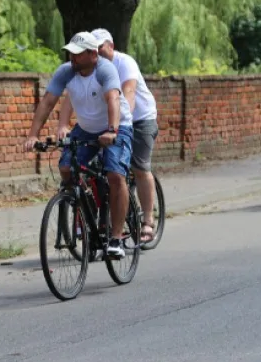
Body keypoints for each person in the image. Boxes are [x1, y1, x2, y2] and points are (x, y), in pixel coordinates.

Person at [23, 31, 135, 258]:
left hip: (116, 125)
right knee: (66, 168)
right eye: (70, 53)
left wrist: (112, 130)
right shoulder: (66, 71)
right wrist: (33, 135)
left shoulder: (104, 69)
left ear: (93, 54)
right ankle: (85, 206)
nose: (72, 58)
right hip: (85, 128)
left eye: (77, 54)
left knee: (115, 175)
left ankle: (115, 239)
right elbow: (47, 102)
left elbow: (113, 99)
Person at [55, 28, 159, 244]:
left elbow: (128, 94)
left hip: (139, 118)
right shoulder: (87, 69)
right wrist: (64, 124)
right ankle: (94, 214)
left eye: (101, 46)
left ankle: (148, 220)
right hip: (107, 122)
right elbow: (72, 97)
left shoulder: (124, 63)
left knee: (139, 167)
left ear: (111, 46)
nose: (98, 50)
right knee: (93, 168)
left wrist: (118, 126)